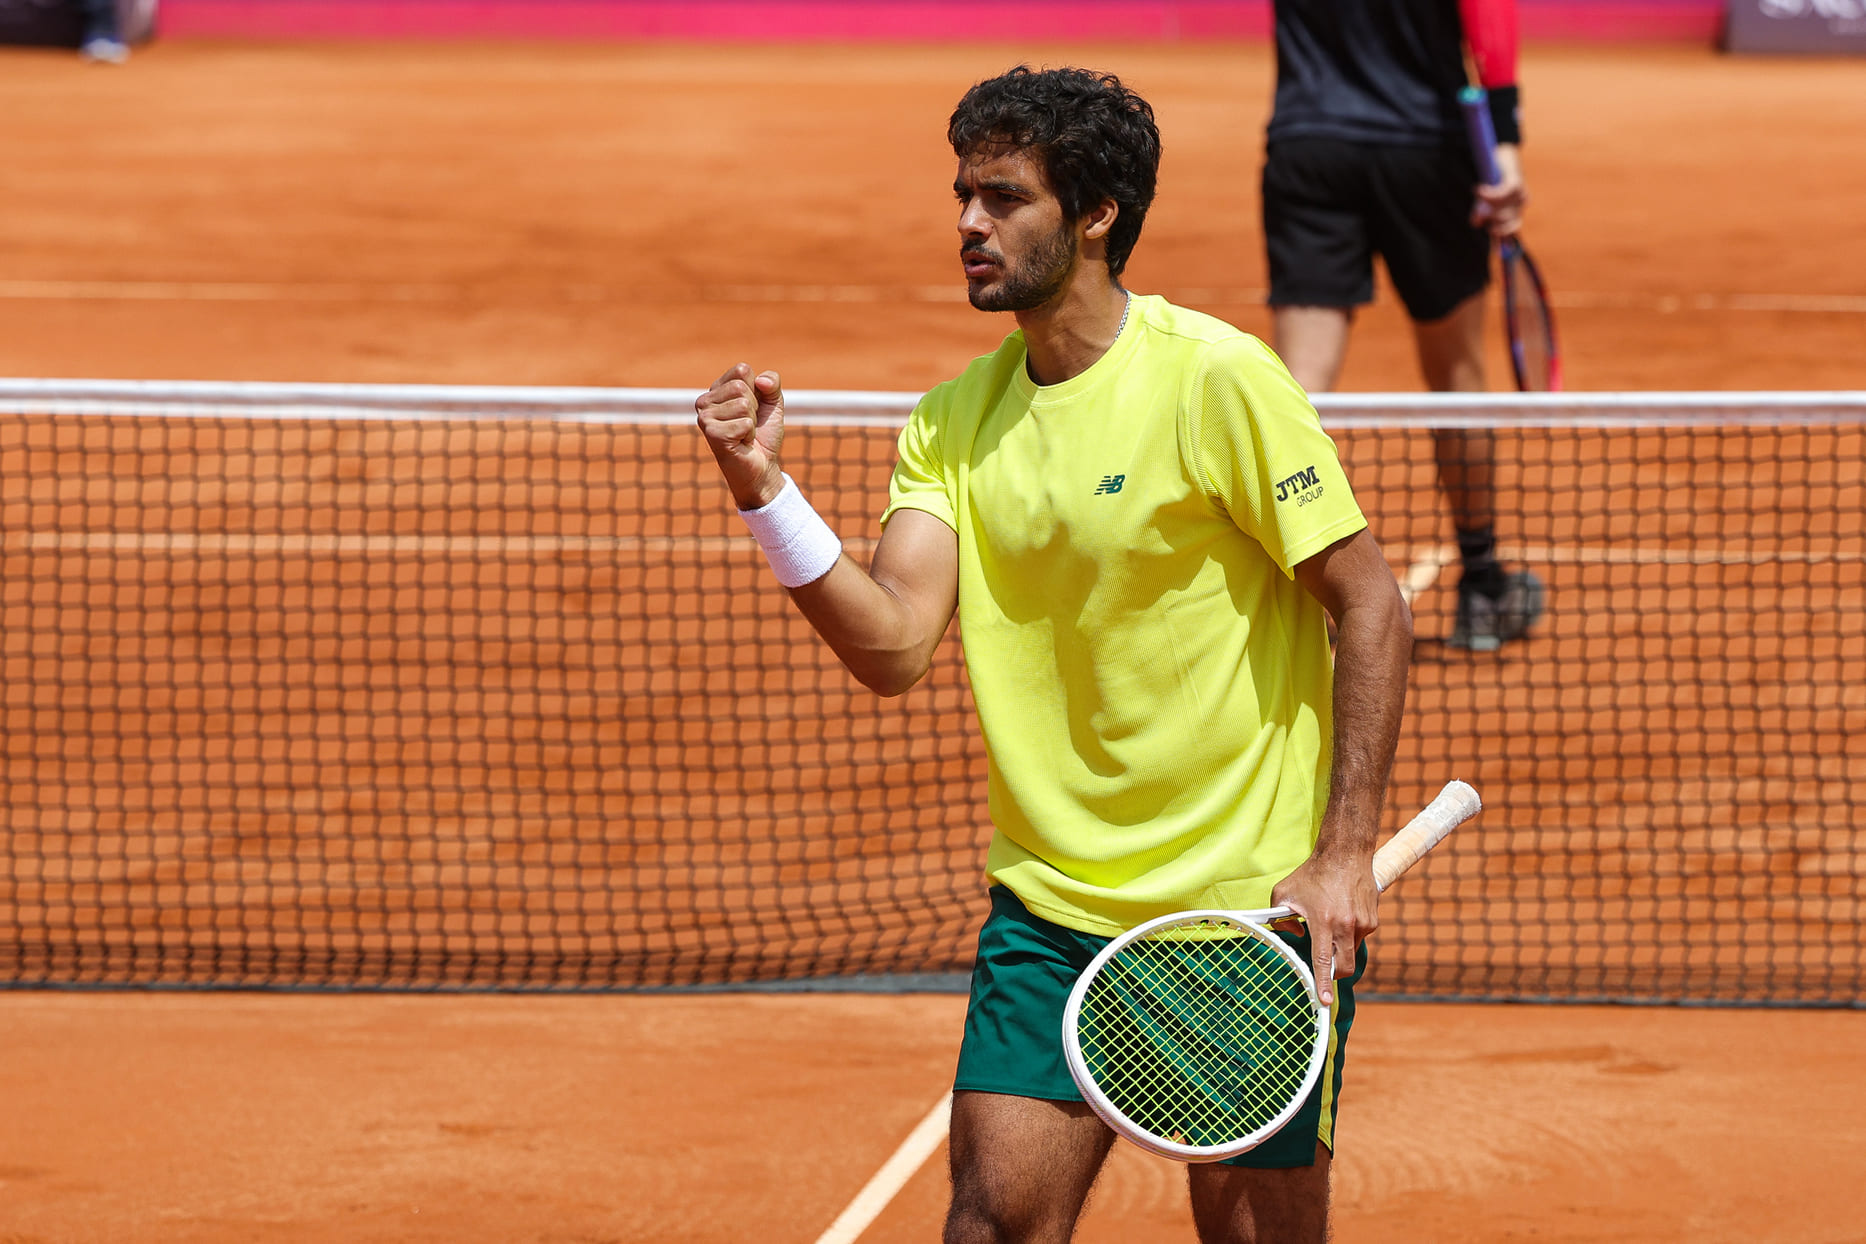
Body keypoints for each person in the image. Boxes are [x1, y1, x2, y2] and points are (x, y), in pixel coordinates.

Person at [696, 66, 1412, 1244]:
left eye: (1003, 198)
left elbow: (1371, 603)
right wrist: (765, 489)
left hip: (1240, 919)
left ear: (1095, 216)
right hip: (1048, 910)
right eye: (964, 196)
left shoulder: (1216, 380)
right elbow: (891, 644)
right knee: (991, 1223)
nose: (969, 224)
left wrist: (1341, 855)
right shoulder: (951, 420)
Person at [1262, 0, 1544, 651]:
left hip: (1310, 143)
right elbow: (1490, 14)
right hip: (1426, 147)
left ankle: (1291, 597)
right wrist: (1503, 142)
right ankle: (1482, 586)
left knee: (1300, 392)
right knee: (1456, 371)